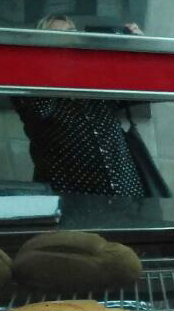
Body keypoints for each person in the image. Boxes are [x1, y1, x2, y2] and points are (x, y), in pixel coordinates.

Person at [10, 16, 150, 197]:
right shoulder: (29, 81)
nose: (65, 43)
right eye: (54, 37)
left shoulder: (93, 78)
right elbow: (38, 111)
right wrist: (54, 64)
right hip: (72, 198)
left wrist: (139, 48)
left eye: (70, 34)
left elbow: (144, 91)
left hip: (125, 192)